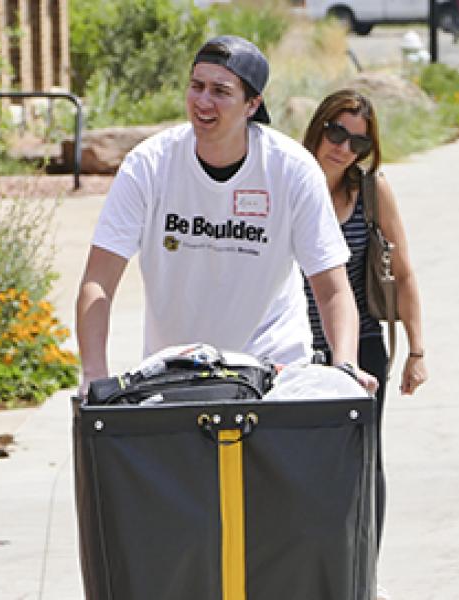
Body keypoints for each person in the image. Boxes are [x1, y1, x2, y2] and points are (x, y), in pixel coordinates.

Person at [76, 35, 377, 394]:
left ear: (252, 104)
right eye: (196, 86)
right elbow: (99, 281)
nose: (203, 101)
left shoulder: (291, 168)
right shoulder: (149, 165)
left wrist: (346, 365)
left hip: (272, 367)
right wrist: (93, 374)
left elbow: (332, 290)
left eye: (220, 91)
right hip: (177, 369)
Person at [300, 89, 428, 550]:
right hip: (292, 352)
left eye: (358, 143)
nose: (343, 148)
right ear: (319, 126)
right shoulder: (287, 179)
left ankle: (362, 567)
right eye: (336, 133)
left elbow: (405, 271)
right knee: (298, 460)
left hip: (363, 347)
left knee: (364, 458)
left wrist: (416, 350)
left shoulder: (371, 192)